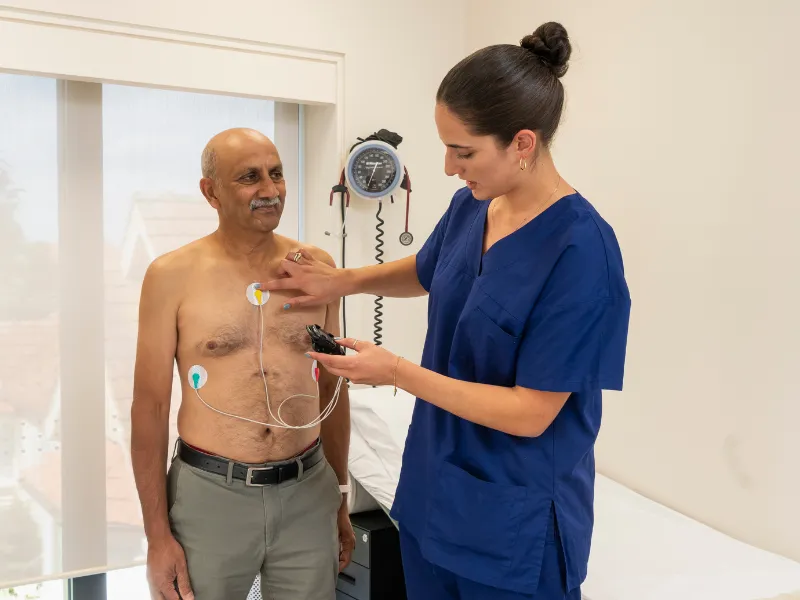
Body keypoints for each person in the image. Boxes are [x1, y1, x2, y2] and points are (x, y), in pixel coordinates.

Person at [260, 22, 630, 600]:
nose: (449, 167)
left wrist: (397, 372)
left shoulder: (582, 253)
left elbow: (533, 413)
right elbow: (430, 271)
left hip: (515, 524)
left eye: (464, 152)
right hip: (434, 498)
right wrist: (343, 281)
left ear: (523, 143)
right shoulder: (472, 207)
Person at [130, 128, 355, 600]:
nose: (270, 191)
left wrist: (338, 497)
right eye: (249, 178)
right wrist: (156, 537)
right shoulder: (171, 276)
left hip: (307, 490)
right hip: (210, 496)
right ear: (210, 191)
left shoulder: (316, 269)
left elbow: (334, 392)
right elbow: (149, 408)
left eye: (276, 174)